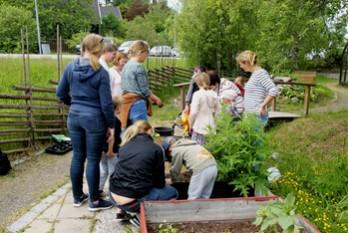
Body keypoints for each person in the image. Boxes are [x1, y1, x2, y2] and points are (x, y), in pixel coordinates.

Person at [56, 33, 114, 211]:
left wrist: (72, 104)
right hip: (94, 119)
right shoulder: (101, 72)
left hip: (74, 117)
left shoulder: (70, 67)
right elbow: (106, 104)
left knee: (78, 157)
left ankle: (77, 197)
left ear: (84, 47)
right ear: (99, 49)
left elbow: (60, 93)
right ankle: (94, 202)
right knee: (93, 159)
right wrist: (111, 125)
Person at [109, 120, 177, 214]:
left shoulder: (125, 145)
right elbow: (159, 183)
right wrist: (166, 181)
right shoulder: (156, 148)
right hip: (132, 201)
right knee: (173, 192)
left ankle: (120, 210)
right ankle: (149, 214)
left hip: (113, 195)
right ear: (149, 131)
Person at [120, 41, 163, 129]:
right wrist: (157, 99)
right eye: (146, 53)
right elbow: (144, 90)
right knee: (140, 131)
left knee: (127, 132)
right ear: (140, 52)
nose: (147, 56)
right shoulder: (138, 66)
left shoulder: (126, 65)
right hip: (137, 103)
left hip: (125, 103)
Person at [236, 50, 278, 124]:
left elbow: (273, 90)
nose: (241, 67)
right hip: (251, 114)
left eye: (241, 64)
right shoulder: (255, 74)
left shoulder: (260, 73)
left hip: (257, 115)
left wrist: (262, 106)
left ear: (246, 62)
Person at [98, 96, 122, 197]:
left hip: (102, 149)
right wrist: (111, 151)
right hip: (111, 150)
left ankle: (98, 190)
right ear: (116, 108)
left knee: (103, 170)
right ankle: (113, 192)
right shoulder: (115, 121)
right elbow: (112, 137)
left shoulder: (102, 119)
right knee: (114, 171)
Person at [189, 72, 218, 145]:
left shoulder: (197, 94)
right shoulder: (214, 94)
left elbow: (193, 112)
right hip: (211, 128)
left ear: (198, 83)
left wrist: (190, 125)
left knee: (198, 152)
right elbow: (218, 112)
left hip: (199, 127)